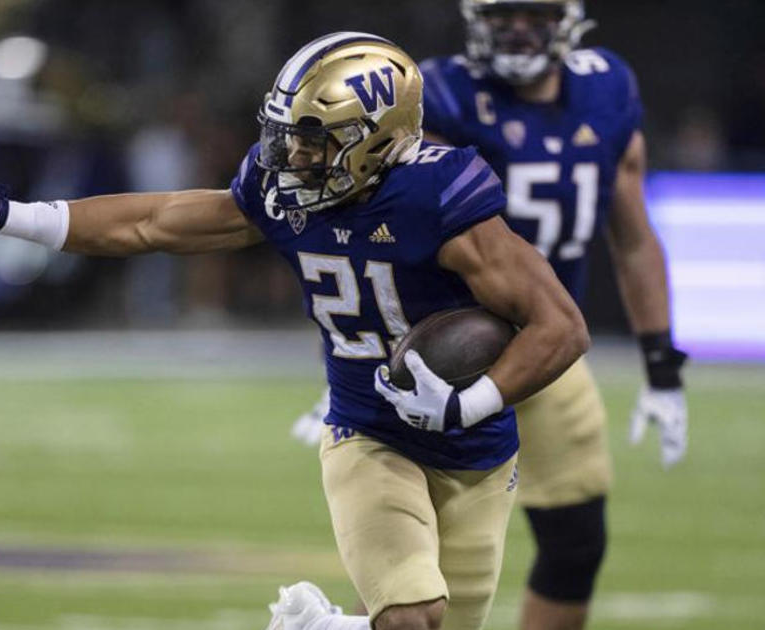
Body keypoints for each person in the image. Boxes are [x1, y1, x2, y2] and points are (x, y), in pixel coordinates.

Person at [0, 32, 589, 630]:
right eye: (289, 132)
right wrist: (19, 216)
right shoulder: (281, 190)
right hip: (370, 433)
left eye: (316, 137)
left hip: (478, 453)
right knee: (413, 615)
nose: (294, 152)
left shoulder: (437, 199)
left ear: (377, 138)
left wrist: (466, 402)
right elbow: (155, 223)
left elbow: (559, 327)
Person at [287, 4, 689, 629]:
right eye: (504, 13)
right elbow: (361, 234)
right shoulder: (433, 95)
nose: (519, 29)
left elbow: (632, 235)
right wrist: (351, 363)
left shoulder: (606, 88)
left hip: (546, 352)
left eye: (538, 13)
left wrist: (662, 364)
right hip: (442, 351)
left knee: (577, 540)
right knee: (413, 569)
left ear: (570, 18)